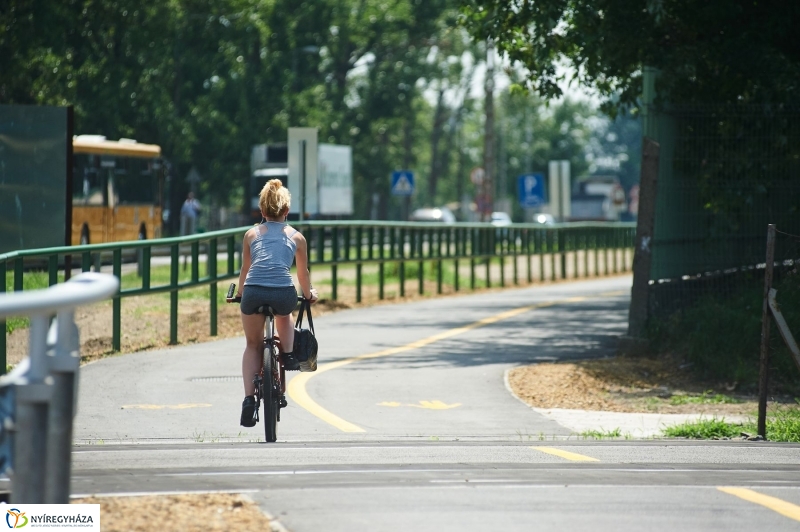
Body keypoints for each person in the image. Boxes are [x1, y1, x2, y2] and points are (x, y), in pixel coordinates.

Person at [234, 179, 318, 427]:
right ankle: (288, 353)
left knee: (253, 345)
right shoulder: (297, 237)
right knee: (285, 313)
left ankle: (249, 400)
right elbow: (302, 275)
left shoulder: (251, 235)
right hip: (283, 293)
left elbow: (245, 270)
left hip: (253, 293)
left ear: (262, 210)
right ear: (287, 210)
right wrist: (309, 293)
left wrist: (240, 293)